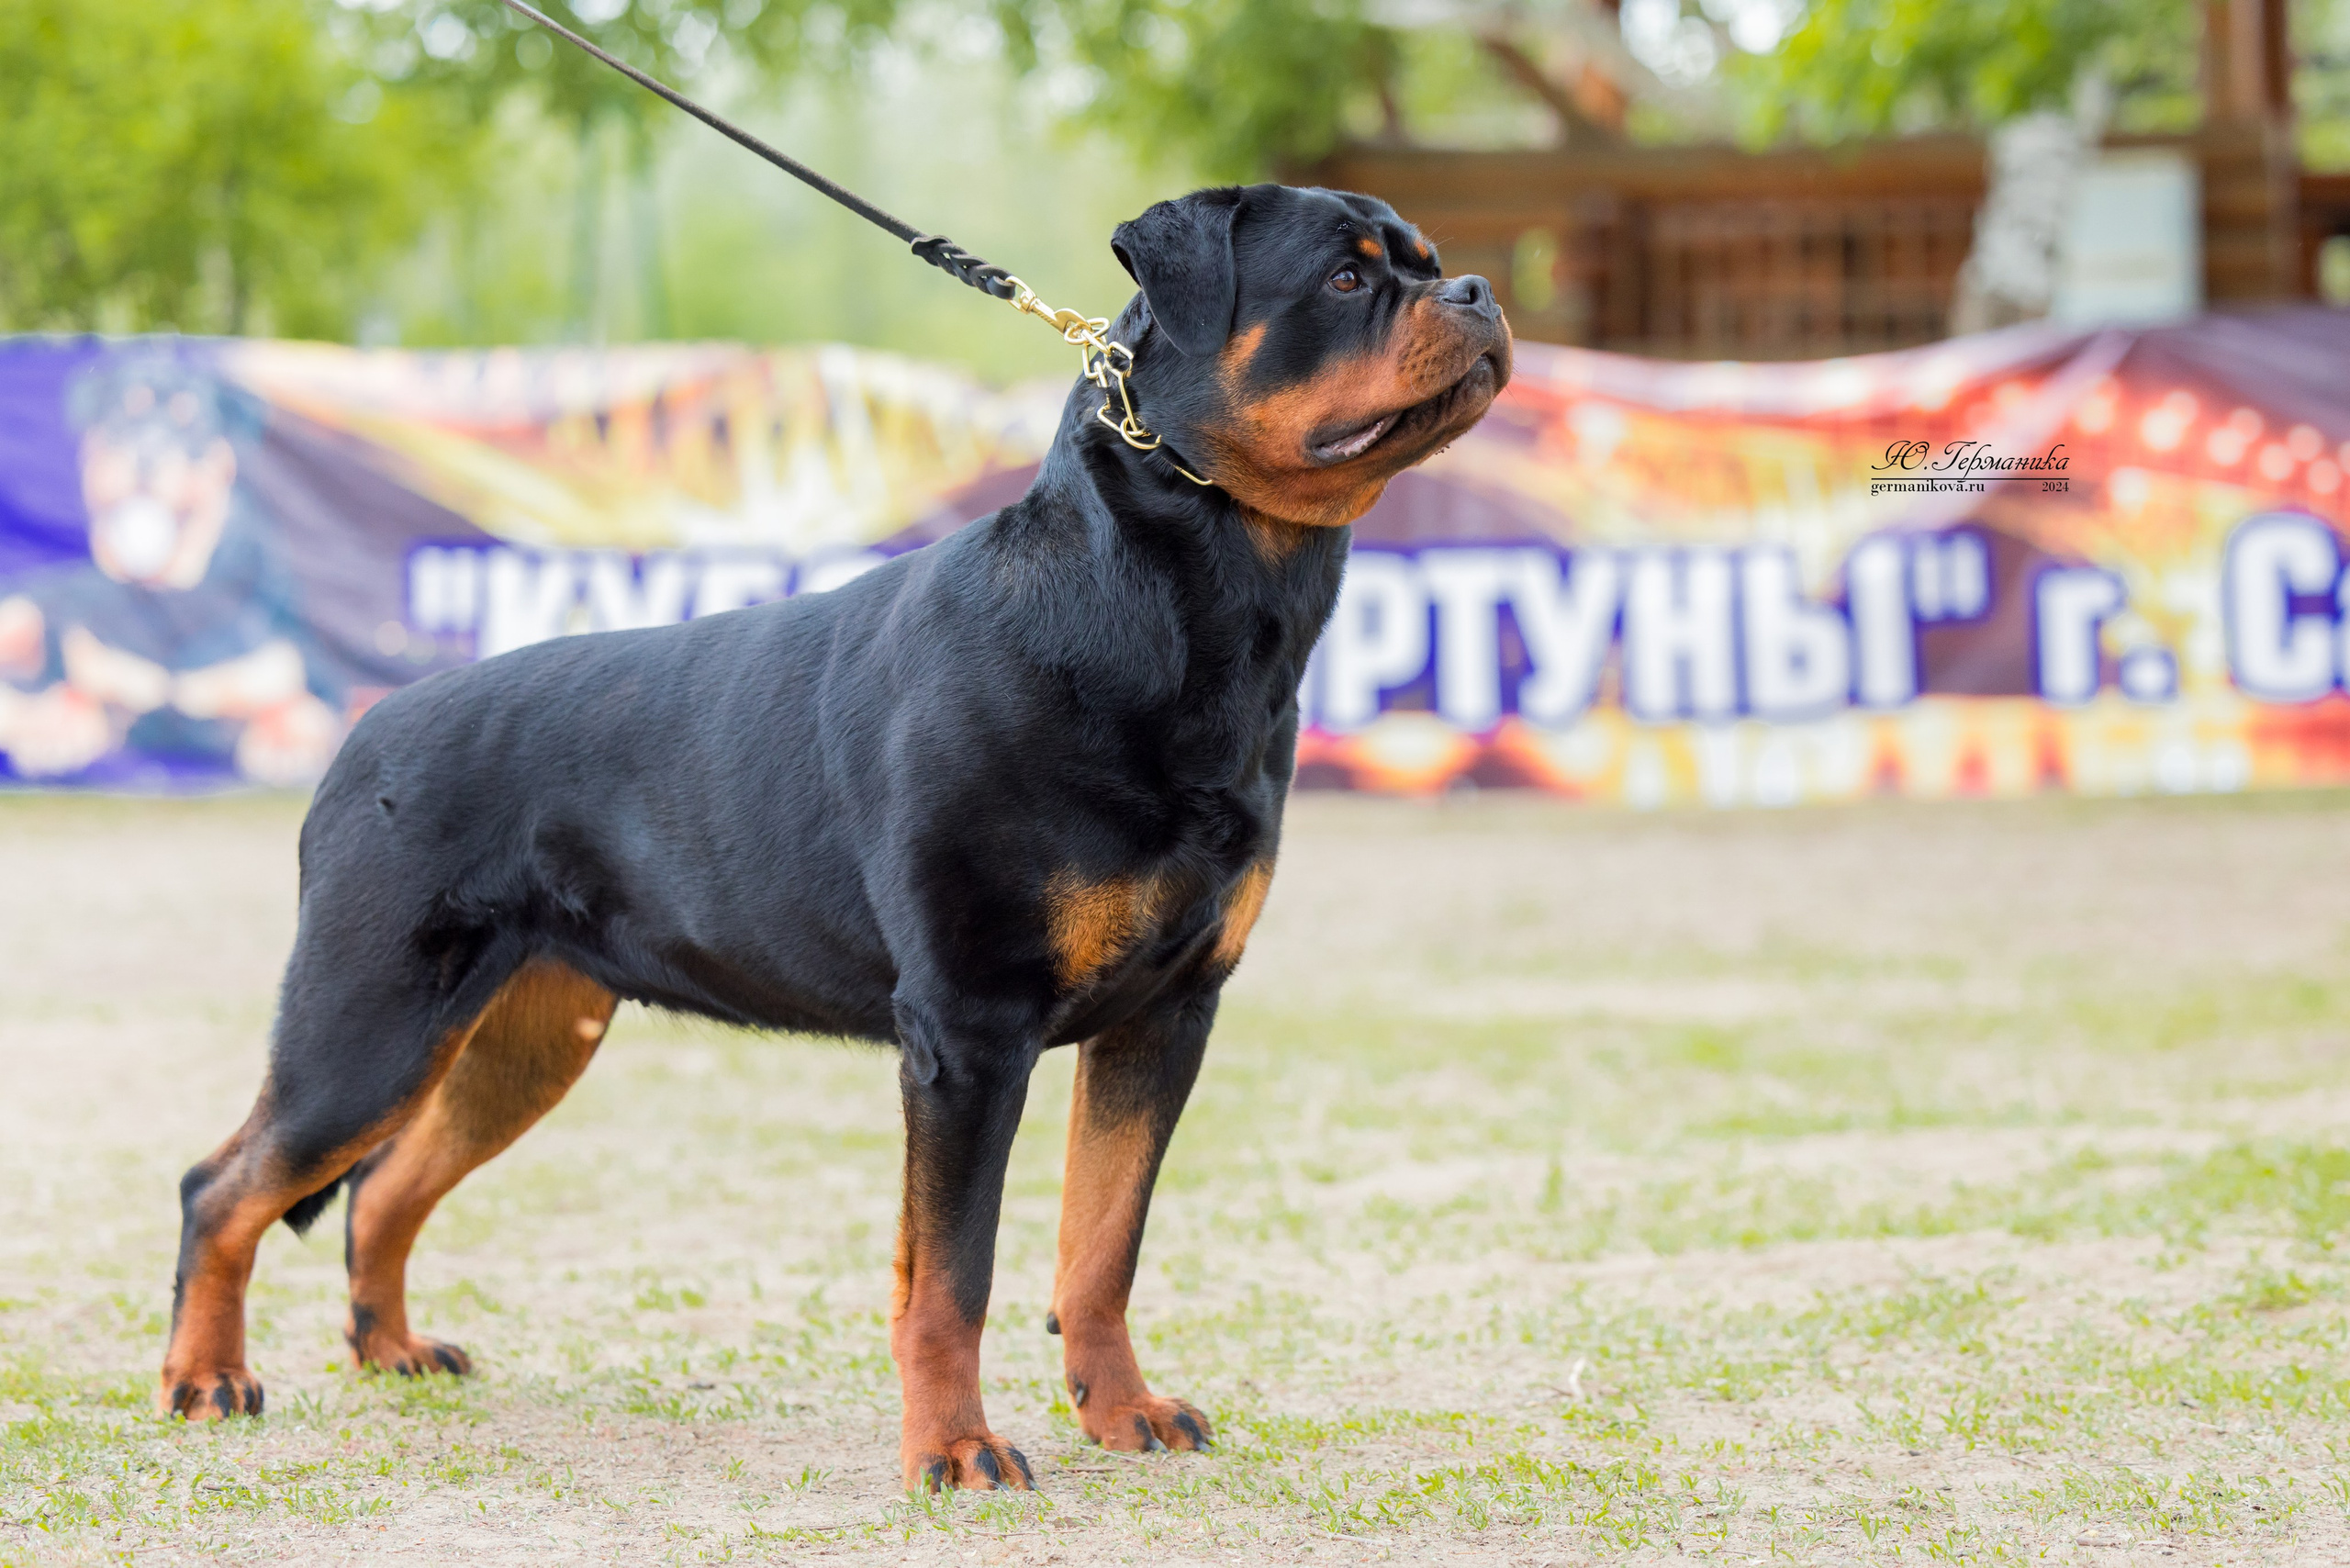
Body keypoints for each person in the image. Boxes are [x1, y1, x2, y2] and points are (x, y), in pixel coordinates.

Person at [0, 354, 341, 785]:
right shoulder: (65, 607)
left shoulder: (264, 601)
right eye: (126, 426)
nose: (149, 450)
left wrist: (288, 719)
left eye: (185, 432)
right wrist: (30, 716)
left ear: (226, 463)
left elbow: (328, 696)